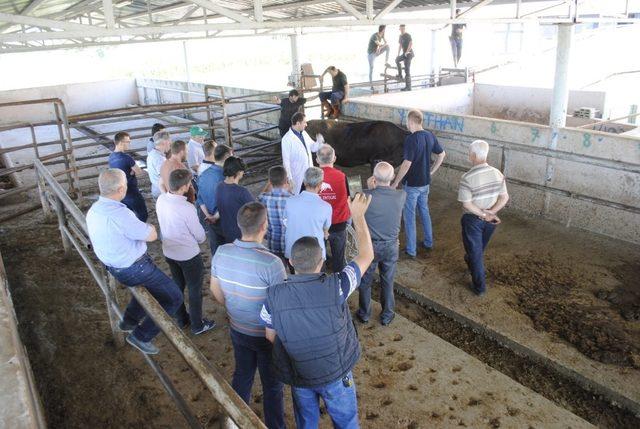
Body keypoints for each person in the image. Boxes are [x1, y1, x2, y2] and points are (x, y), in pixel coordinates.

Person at [260, 193, 374, 429]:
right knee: (346, 422)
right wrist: (358, 217)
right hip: (336, 372)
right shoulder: (338, 285)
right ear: (321, 260)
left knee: (306, 422)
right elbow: (366, 256)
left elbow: (270, 336)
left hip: (300, 375)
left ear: (290, 262)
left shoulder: (273, 295)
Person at [87, 169, 182, 355]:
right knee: (174, 297)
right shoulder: (121, 215)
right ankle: (142, 335)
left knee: (150, 288)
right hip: (133, 268)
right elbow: (152, 235)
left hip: (113, 266)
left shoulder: (94, 210)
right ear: (121, 188)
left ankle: (129, 320)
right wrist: (151, 227)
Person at [210, 202, 287, 429]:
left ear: (238, 225)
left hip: (238, 328)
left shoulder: (221, 252)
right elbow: (279, 306)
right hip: (265, 336)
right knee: (272, 384)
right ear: (265, 226)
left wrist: (234, 308)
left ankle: (234, 420)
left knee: (242, 373)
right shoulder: (272, 263)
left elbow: (215, 291)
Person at [156, 169, 216, 335]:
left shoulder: (161, 199)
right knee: (194, 289)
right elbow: (199, 236)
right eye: (189, 183)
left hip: (169, 252)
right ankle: (197, 325)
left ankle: (181, 318)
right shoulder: (186, 207)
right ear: (183, 187)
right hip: (188, 255)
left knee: (178, 285)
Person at [357, 162, 406, 326]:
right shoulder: (401, 195)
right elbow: (389, 193)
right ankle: (387, 314)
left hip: (370, 246)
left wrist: (369, 188)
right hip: (391, 245)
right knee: (388, 280)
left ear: (374, 178)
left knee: (365, 280)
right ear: (392, 177)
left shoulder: (364, 195)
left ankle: (364, 313)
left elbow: (356, 204)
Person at [392, 109, 446, 258]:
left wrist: (396, 181)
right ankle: (429, 242)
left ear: (411, 122)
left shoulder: (411, 139)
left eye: (407, 123)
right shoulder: (430, 135)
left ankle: (411, 250)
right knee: (424, 211)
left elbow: (406, 163)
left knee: (409, 216)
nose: (407, 126)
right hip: (425, 182)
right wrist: (431, 171)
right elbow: (442, 154)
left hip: (412, 183)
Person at [458, 140, 509, 296]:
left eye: (469, 153)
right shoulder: (498, 173)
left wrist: (482, 214)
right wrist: (491, 213)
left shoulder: (467, 177)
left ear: (473, 155)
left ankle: (479, 288)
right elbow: (504, 197)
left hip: (473, 220)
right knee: (478, 249)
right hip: (491, 221)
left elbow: (467, 204)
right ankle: (470, 260)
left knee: (476, 254)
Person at [283, 167, 332, 263]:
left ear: (304, 182)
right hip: (315, 255)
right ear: (320, 184)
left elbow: (285, 221)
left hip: (293, 253)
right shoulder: (326, 207)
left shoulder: (289, 201)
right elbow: (326, 230)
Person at [316, 145, 351, 272]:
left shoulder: (311, 178)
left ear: (317, 160)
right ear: (334, 159)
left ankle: (321, 282)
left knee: (319, 258)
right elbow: (348, 197)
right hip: (339, 224)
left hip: (318, 225)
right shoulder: (342, 176)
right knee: (339, 258)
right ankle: (339, 284)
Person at [197, 144, 233, 255]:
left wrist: (208, 216)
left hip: (210, 220)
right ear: (227, 157)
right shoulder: (225, 177)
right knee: (229, 249)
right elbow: (226, 203)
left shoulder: (203, 174)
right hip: (224, 220)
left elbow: (200, 199)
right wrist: (216, 216)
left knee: (216, 248)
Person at [108, 131, 148, 222]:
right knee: (143, 214)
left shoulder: (111, 157)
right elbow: (139, 172)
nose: (129, 144)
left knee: (128, 215)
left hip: (121, 193)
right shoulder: (127, 158)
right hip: (132, 192)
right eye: (128, 142)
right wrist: (134, 171)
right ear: (121, 143)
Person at [281, 112, 324, 195]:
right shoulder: (286, 139)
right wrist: (289, 178)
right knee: (298, 195)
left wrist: (319, 142)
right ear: (298, 123)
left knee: (310, 195)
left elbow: (313, 148)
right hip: (297, 175)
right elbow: (286, 161)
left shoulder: (304, 133)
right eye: (304, 122)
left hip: (308, 174)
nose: (306, 124)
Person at [216, 156, 254, 243]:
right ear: (239, 172)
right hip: (241, 234)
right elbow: (256, 210)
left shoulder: (219, 186)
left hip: (226, 231)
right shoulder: (242, 192)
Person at [258, 166, 293, 260]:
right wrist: (290, 191)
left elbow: (261, 194)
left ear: (270, 181)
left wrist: (268, 183)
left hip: (273, 244)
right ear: (286, 180)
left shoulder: (263, 198)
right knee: (294, 271)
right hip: (290, 245)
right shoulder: (293, 199)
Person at [147, 130, 171, 199]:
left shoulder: (152, 153)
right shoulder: (159, 159)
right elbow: (163, 179)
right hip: (161, 193)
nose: (170, 145)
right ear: (165, 142)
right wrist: (168, 197)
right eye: (169, 142)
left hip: (156, 189)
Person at [367, 25, 391, 90]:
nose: (385, 31)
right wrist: (380, 48)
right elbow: (380, 44)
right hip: (371, 54)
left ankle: (386, 62)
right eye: (384, 29)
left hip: (376, 52)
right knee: (371, 68)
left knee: (387, 47)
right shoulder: (374, 36)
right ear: (382, 30)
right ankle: (371, 85)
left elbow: (386, 43)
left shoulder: (382, 35)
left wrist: (379, 49)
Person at [395, 24, 414, 91]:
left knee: (407, 69)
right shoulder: (400, 36)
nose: (402, 30)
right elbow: (400, 45)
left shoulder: (407, 35)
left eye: (403, 29)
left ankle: (408, 87)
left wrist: (407, 52)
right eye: (401, 29)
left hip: (409, 54)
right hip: (404, 54)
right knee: (397, 60)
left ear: (404, 29)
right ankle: (400, 75)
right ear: (399, 29)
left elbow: (410, 43)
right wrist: (398, 54)